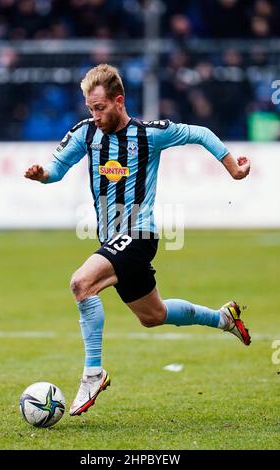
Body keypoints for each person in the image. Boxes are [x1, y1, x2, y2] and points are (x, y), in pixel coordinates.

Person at [24, 63, 251, 417]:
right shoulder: (86, 134)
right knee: (153, 315)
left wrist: (232, 168)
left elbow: (201, 133)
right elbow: (56, 169)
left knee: (81, 284)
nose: (94, 115)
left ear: (119, 101)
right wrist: (42, 175)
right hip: (112, 239)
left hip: (139, 233)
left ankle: (93, 372)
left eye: (99, 108)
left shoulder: (150, 133)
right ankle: (223, 318)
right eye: (90, 108)